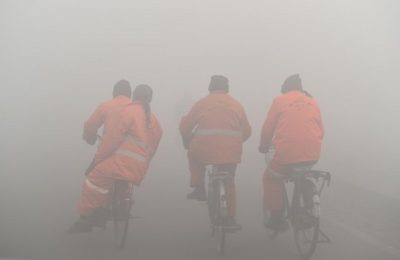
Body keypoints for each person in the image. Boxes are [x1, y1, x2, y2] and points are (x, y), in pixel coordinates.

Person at [69, 84, 162, 233]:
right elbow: (154, 146)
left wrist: (97, 160)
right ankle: (123, 204)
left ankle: (87, 218)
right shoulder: (154, 120)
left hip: (119, 162)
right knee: (119, 175)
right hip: (140, 167)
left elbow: (113, 138)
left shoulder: (128, 111)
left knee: (93, 179)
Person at [179, 75, 251, 228]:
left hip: (204, 150)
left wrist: (187, 137)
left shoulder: (203, 103)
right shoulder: (236, 105)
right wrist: (234, 142)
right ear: (227, 88)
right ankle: (230, 218)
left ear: (210, 88)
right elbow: (247, 132)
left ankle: (198, 187)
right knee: (230, 181)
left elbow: (185, 126)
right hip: (231, 152)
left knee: (193, 155)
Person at [259, 74, 324, 231]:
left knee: (270, 178)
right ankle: (309, 207)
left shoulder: (280, 100)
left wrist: (263, 146)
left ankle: (277, 218)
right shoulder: (312, 101)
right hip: (312, 154)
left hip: (286, 153)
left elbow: (268, 127)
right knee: (301, 175)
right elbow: (321, 130)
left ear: (285, 89)